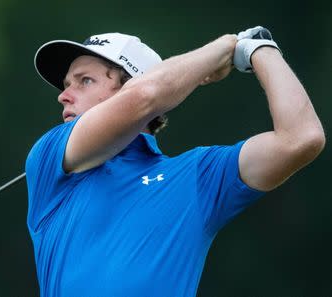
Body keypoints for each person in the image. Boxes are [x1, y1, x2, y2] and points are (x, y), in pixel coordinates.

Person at [25, 27, 325, 296]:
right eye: (66, 84)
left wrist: (260, 49)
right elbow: (145, 96)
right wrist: (224, 46)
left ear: (129, 85)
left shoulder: (197, 176)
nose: (63, 96)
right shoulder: (51, 158)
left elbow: (300, 139)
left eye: (84, 81)